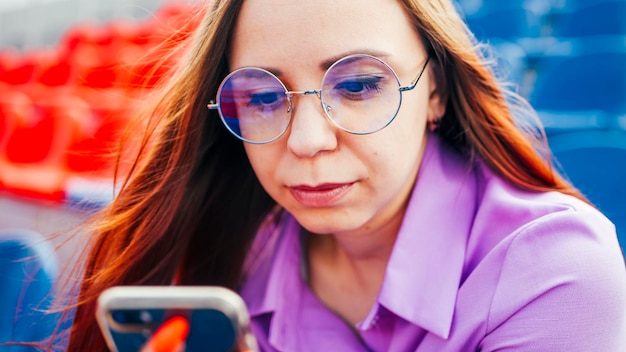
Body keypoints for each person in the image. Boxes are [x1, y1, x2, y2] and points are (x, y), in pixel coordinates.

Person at [59, 0, 626, 351]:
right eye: (261, 96)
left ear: (436, 91)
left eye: (357, 86)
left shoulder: (558, 272)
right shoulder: (224, 265)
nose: (305, 141)